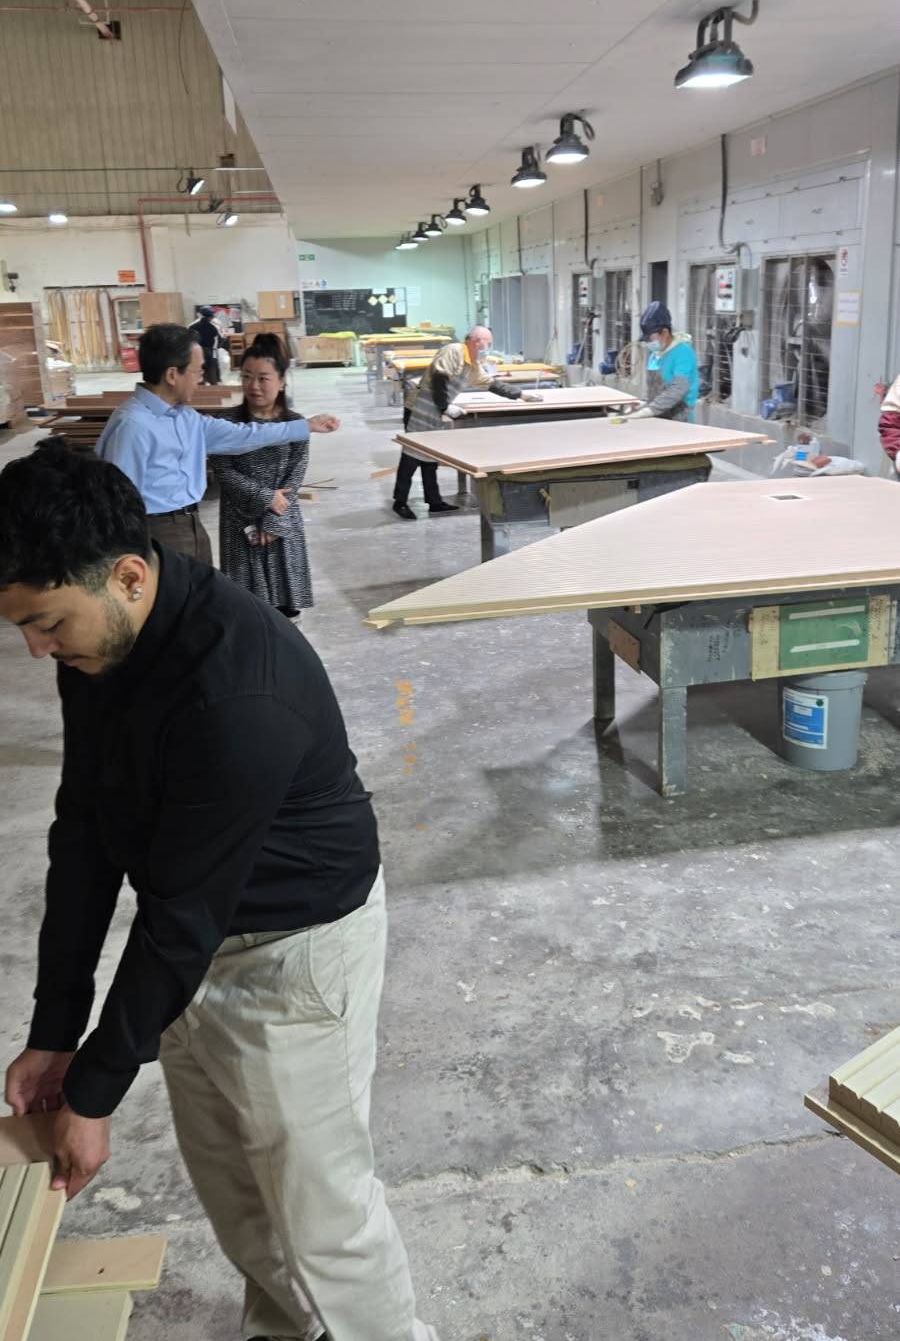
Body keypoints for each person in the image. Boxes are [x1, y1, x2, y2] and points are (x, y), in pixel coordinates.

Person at [0, 440, 439, 1341]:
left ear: (128, 576)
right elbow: (85, 830)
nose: (37, 647)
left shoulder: (237, 687)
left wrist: (94, 1091)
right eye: (22, 629)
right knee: (241, 1202)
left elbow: (179, 916)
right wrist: (55, 1030)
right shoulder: (101, 649)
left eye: (46, 622)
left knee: (322, 1220)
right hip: (195, 945)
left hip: (295, 954)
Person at [97, 323, 338, 563]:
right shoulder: (133, 425)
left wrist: (305, 426)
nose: (201, 378)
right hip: (155, 532)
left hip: (190, 524)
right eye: (197, 371)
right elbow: (116, 503)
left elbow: (244, 435)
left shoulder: (185, 417)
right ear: (172, 375)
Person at [211, 333, 313, 619]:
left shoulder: (295, 423)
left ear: (281, 381)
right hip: (239, 520)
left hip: (282, 517)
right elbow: (223, 471)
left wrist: (274, 518)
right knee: (248, 607)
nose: (253, 386)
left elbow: (296, 474)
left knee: (286, 604)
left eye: (263, 378)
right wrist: (265, 497)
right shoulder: (226, 422)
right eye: (246, 377)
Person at [393, 325, 521, 520]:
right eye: (488, 343)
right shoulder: (454, 351)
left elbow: (490, 383)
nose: (488, 348)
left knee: (430, 458)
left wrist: (520, 394)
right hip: (419, 407)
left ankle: (434, 502)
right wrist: (445, 407)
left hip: (434, 410)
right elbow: (439, 378)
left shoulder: (472, 365)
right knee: (411, 457)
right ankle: (399, 502)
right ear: (476, 342)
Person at [629, 301, 700, 422]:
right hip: (657, 417)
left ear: (665, 332)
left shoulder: (683, 352)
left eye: (650, 338)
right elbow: (655, 390)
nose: (648, 342)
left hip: (679, 418)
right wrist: (644, 404)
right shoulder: (655, 354)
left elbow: (679, 389)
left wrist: (650, 410)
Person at [189, 305, 222, 384]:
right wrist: (217, 347)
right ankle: (214, 386)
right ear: (211, 317)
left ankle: (201, 386)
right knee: (212, 374)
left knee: (198, 373)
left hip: (196, 352)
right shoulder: (213, 327)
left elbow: (188, 340)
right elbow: (220, 340)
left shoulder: (192, 326)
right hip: (209, 352)